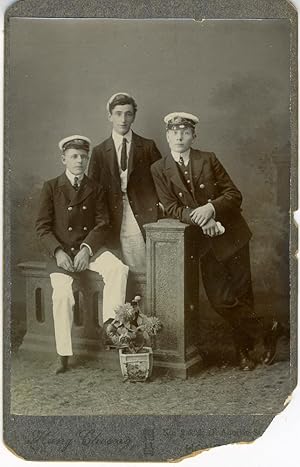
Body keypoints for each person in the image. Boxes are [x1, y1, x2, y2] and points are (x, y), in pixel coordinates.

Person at [151, 112, 284, 370]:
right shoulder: (158, 168)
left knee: (242, 296)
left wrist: (211, 208)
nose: (179, 136)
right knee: (221, 300)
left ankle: (244, 353)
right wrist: (202, 219)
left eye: (185, 132)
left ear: (194, 136)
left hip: (232, 236)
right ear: (167, 136)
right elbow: (171, 207)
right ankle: (271, 328)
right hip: (205, 243)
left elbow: (234, 195)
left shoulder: (207, 159)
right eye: (174, 132)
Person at [36, 135, 129, 374]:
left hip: (89, 249)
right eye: (74, 156)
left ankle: (111, 326)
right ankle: (63, 354)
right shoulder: (51, 187)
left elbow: (102, 223)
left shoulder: (95, 188)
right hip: (62, 253)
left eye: (83, 157)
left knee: (118, 268)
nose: (79, 161)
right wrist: (57, 252)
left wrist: (87, 249)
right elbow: (43, 227)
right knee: (62, 295)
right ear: (63, 159)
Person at [88, 92, 162, 274]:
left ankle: (144, 303)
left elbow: (162, 182)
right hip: (111, 215)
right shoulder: (99, 151)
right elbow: (92, 191)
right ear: (110, 116)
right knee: (118, 267)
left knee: (143, 264)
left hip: (142, 212)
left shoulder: (147, 146)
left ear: (134, 116)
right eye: (118, 113)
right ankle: (124, 303)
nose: (123, 119)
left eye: (128, 114)